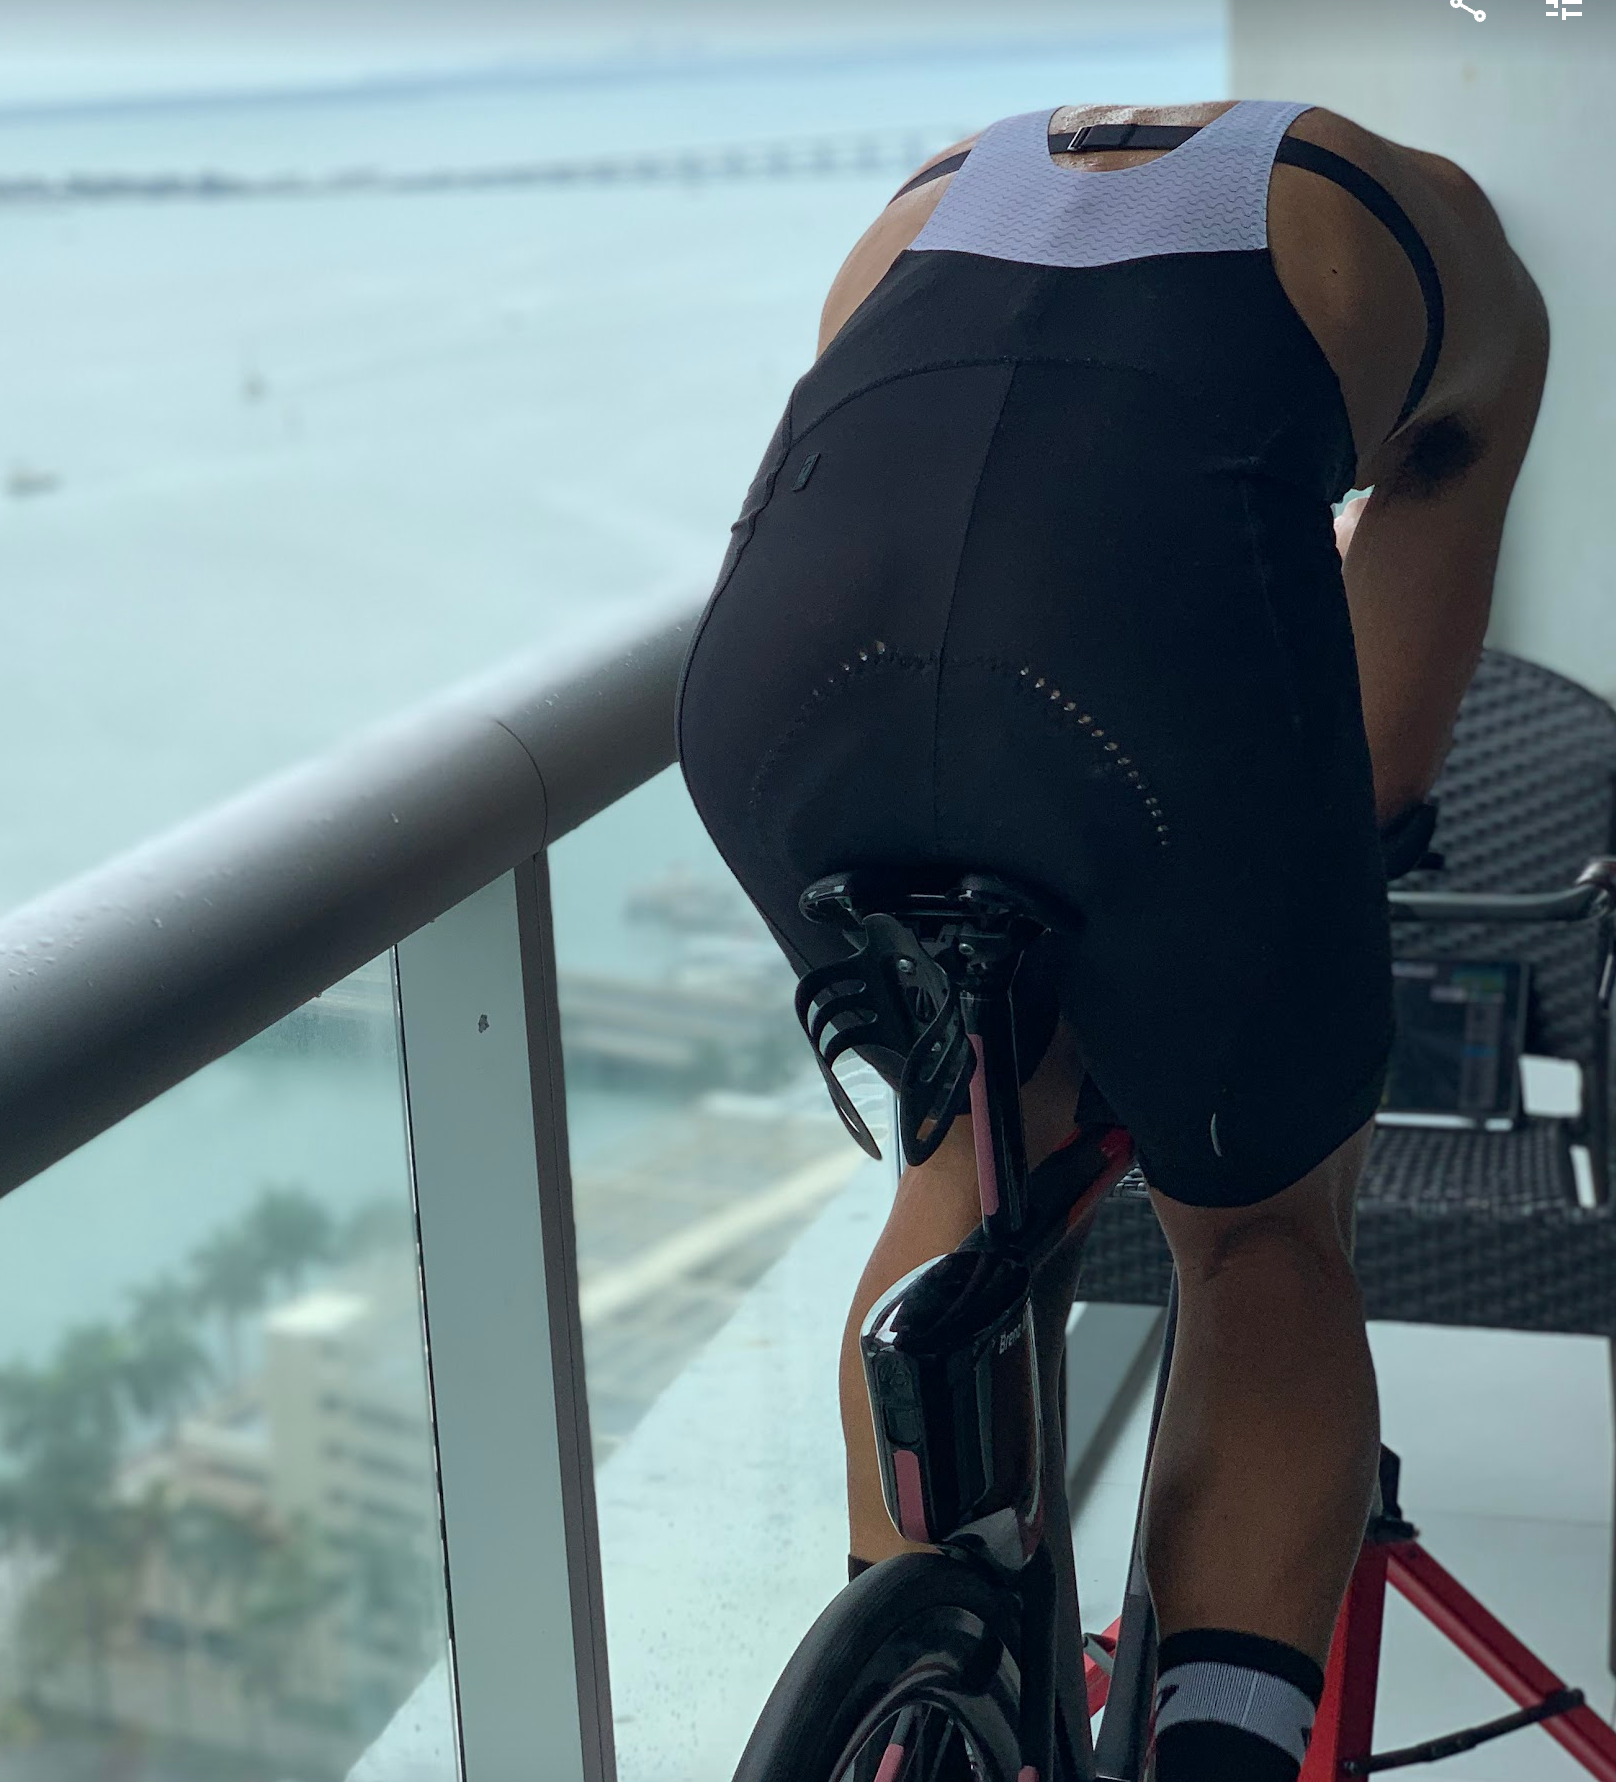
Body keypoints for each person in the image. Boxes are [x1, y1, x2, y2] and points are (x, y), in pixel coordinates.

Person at [675, 100, 1547, 1782]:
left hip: (779, 696)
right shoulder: (1474, 284)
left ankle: (916, 1706)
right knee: (1261, 1240)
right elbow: (1378, 768)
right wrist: (1276, 952)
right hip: (1134, 671)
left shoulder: (925, 202)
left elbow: (865, 514)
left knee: (965, 1151)